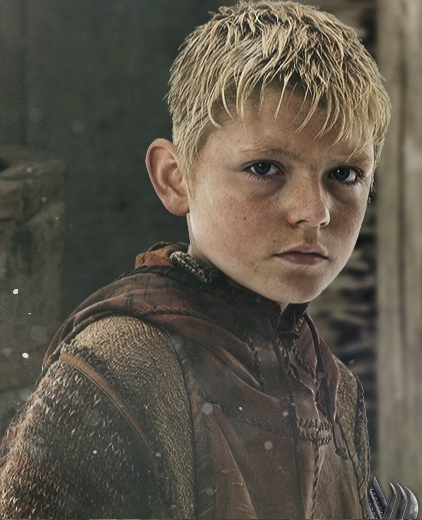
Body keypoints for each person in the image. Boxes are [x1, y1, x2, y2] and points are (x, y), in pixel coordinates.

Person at [0, 1, 391, 518]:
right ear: (175, 178)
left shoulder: (336, 392)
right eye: (264, 167)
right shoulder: (118, 373)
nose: (314, 212)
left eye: (344, 174)